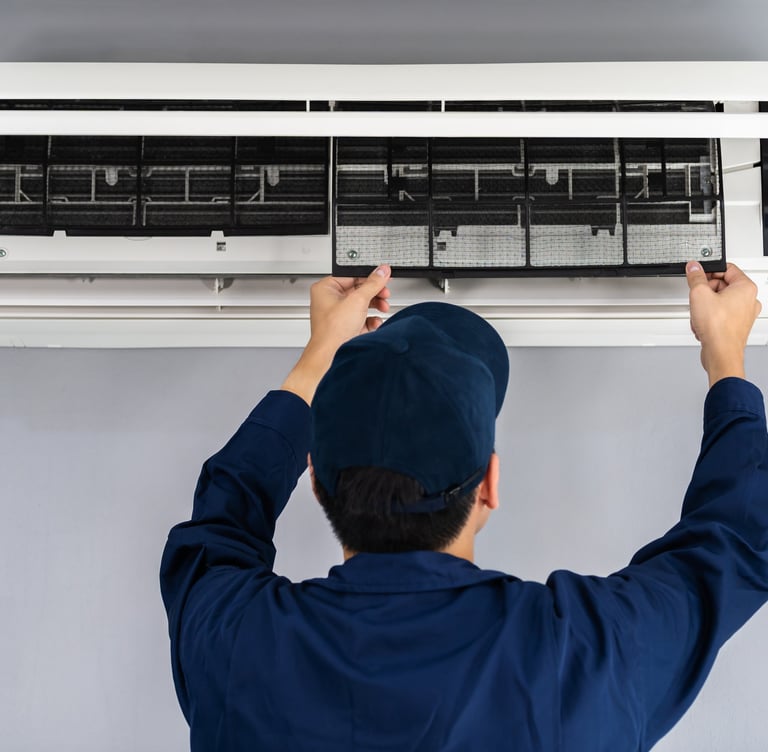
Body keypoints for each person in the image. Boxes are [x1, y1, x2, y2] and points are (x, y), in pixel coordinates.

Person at [160, 261, 767, 752]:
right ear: (489, 487)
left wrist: (318, 359)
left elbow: (220, 520)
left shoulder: (234, 649)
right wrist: (726, 354)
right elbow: (738, 540)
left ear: (314, 479)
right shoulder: (583, 656)